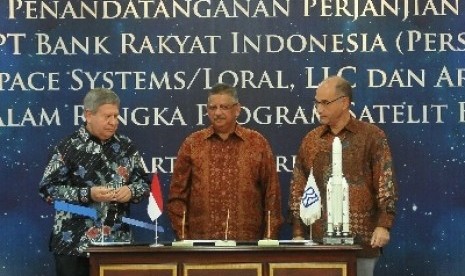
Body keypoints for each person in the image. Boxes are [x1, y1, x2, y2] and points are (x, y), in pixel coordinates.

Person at [288, 76, 398, 276]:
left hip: (362, 241)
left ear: (344, 102)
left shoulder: (371, 136)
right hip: (318, 243)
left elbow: (385, 182)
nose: (319, 109)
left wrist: (384, 225)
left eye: (325, 103)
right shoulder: (311, 140)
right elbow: (299, 187)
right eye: (316, 103)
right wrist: (298, 233)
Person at [39, 88, 150, 276]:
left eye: (116, 116)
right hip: (73, 244)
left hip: (117, 243)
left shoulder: (126, 146)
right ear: (89, 115)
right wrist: (88, 194)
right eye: (107, 116)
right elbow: (47, 190)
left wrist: (131, 191)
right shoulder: (67, 147)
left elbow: (145, 185)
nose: (113, 122)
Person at [167, 83, 283, 241]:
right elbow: (177, 196)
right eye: (212, 108)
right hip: (201, 247)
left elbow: (272, 194)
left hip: (248, 246)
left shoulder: (257, 143)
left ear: (237, 109)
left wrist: (269, 239)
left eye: (224, 107)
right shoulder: (192, 144)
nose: (218, 113)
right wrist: (184, 239)